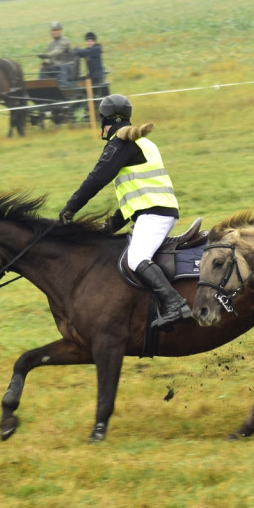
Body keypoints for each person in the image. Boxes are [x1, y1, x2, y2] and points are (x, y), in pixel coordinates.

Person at [58, 94, 192, 332]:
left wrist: (70, 208)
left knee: (137, 258)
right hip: (157, 211)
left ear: (105, 120)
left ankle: (176, 304)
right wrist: (112, 224)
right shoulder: (145, 143)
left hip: (155, 215)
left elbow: (97, 178)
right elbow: (139, 193)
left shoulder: (121, 144)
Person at [38, 21, 73, 88]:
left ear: (61, 31)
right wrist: (45, 62)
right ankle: (40, 85)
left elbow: (58, 51)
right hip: (55, 67)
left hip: (67, 66)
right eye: (53, 30)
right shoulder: (50, 43)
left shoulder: (65, 40)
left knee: (62, 66)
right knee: (43, 67)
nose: (55, 32)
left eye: (57, 30)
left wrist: (47, 55)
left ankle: (63, 86)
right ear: (51, 32)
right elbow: (48, 58)